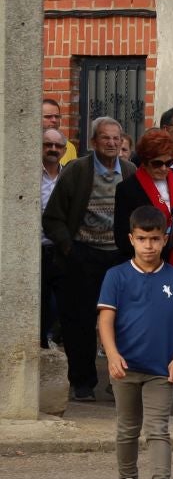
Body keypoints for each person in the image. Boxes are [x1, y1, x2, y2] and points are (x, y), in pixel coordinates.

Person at [99, 206, 173, 479]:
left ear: (165, 239)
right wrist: (112, 355)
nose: (148, 246)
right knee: (127, 428)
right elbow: (105, 320)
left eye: (155, 238)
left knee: (158, 429)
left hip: (161, 369)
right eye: (142, 239)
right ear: (131, 239)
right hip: (125, 367)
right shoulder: (116, 276)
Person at [43, 116, 128, 402]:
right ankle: (82, 382)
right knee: (79, 322)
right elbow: (52, 217)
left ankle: (119, 383)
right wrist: (69, 248)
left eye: (117, 138)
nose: (112, 143)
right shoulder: (76, 171)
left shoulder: (129, 171)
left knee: (121, 321)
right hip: (82, 255)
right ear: (93, 142)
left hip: (117, 257)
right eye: (106, 137)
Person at [113, 130, 173, 269]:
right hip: (145, 265)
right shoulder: (128, 188)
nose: (163, 168)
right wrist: (168, 242)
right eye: (157, 163)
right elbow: (122, 238)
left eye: (168, 162)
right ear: (144, 162)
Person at [41, 127, 66, 350]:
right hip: (35, 249)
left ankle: (51, 340)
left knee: (58, 304)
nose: (53, 149)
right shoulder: (30, 175)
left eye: (57, 146)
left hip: (59, 249)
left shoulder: (68, 176)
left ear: (64, 150)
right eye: (48, 144)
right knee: (39, 302)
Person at [44, 98, 77, 166]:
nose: (54, 120)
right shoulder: (28, 145)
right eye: (48, 117)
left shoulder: (69, 147)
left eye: (57, 116)